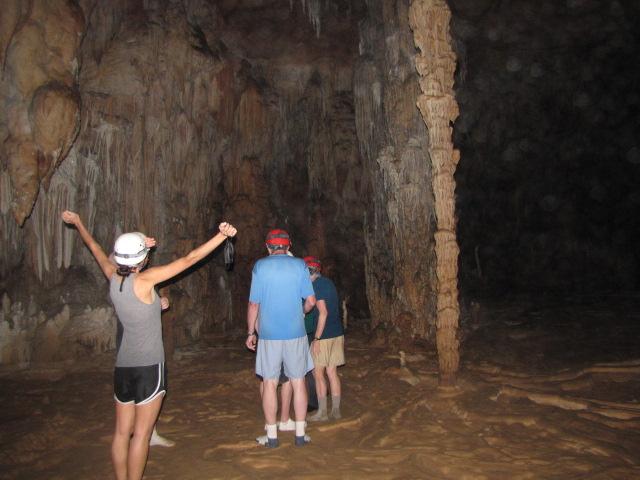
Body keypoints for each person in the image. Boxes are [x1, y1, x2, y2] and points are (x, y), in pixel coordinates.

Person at [61, 210, 236, 480]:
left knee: (122, 432)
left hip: (123, 368)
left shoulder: (112, 277)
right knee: (141, 435)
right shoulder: (146, 280)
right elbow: (189, 259)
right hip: (149, 368)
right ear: (143, 259)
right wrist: (221, 237)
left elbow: (95, 248)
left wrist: (78, 223)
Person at [245, 229, 316, 448]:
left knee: (270, 382)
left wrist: (250, 332)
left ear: (268, 246)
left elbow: (254, 304)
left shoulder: (260, 266)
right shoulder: (300, 266)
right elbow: (311, 301)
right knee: (298, 381)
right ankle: (300, 434)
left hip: (269, 335)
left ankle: (272, 436)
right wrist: (301, 311)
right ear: (288, 246)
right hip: (296, 333)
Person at [304, 256, 345, 421]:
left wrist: (317, 338)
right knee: (332, 372)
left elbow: (323, 312)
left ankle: (322, 412)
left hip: (325, 336)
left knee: (318, 373)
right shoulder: (328, 283)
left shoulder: (316, 286)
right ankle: (336, 410)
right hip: (337, 333)